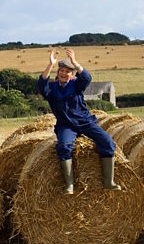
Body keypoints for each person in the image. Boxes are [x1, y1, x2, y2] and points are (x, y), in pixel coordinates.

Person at [37, 48, 121, 194]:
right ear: (58, 73)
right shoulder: (52, 88)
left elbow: (87, 78)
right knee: (64, 146)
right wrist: (50, 64)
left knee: (107, 141)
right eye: (61, 71)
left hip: (85, 122)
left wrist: (75, 62)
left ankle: (109, 181)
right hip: (66, 125)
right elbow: (42, 84)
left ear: (71, 75)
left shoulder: (76, 85)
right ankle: (70, 185)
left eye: (67, 71)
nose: (63, 73)